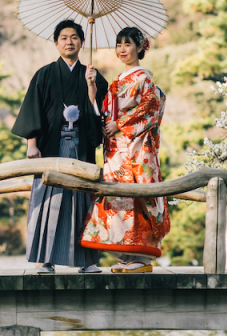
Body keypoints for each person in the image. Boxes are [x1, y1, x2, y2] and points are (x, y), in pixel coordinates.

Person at [12, 20, 108, 273]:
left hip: (81, 145)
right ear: (56, 43)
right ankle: (46, 260)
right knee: (48, 200)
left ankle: (86, 261)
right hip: (50, 145)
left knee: (82, 201)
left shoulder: (93, 75)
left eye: (74, 37)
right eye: (64, 37)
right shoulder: (44, 75)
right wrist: (32, 144)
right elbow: (33, 110)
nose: (69, 41)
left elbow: (100, 112)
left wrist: (91, 86)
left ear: (82, 43)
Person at [80, 25, 170, 273]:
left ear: (141, 47)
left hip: (134, 147)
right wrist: (92, 89)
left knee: (136, 197)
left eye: (127, 43)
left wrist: (118, 124)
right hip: (115, 149)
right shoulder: (119, 80)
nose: (122, 49)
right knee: (117, 198)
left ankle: (142, 258)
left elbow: (151, 109)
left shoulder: (143, 79)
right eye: (119, 44)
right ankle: (127, 256)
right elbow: (106, 112)